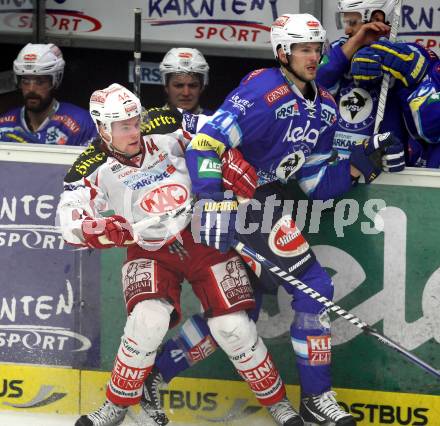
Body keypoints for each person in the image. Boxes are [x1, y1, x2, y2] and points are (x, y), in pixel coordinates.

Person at [181, 12, 407, 425]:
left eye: (317, 48)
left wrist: (361, 165)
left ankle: (153, 372)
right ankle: (317, 399)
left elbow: (317, 184)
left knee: (237, 311)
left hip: (264, 202)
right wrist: (210, 198)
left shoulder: (324, 108)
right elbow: (204, 145)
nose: (313, 56)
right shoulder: (262, 89)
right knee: (315, 285)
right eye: (304, 48)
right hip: (240, 199)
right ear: (283, 51)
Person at [58, 83, 301, 426]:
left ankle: (278, 402)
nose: (135, 131)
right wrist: (94, 230)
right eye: (123, 126)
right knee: (149, 318)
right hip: (150, 247)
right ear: (102, 129)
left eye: (135, 121)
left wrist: (231, 163)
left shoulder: (165, 121)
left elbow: (216, 132)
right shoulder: (88, 166)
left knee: (233, 327)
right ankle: (117, 402)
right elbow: (67, 220)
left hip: (203, 233)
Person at [316, 0, 428, 170]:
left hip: (383, 165)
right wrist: (356, 42)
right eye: (345, 22)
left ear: (376, 18)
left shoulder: (409, 53)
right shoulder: (340, 49)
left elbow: (424, 122)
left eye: (352, 23)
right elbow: (316, 85)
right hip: (338, 164)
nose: (346, 30)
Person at [0, 43, 96, 146]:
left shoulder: (83, 124)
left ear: (55, 81)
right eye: (26, 81)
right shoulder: (4, 125)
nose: (31, 89)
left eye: (40, 82)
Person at [159, 47, 213, 114]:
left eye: (193, 86)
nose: (186, 93)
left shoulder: (215, 121)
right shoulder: (148, 122)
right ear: (166, 87)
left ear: (202, 87)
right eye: (179, 86)